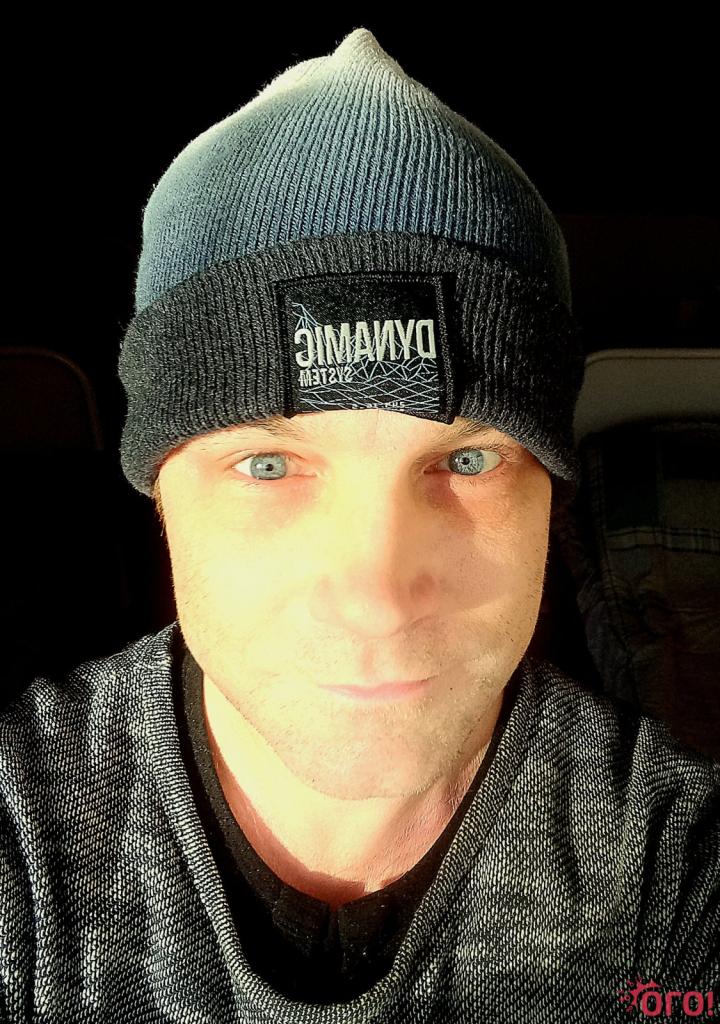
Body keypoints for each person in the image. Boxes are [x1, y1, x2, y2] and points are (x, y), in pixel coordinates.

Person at [1, 27, 717, 1024]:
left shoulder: (676, 871)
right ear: (161, 492)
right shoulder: (23, 844)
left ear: (551, 496)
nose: (377, 599)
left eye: (467, 460)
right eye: (268, 466)